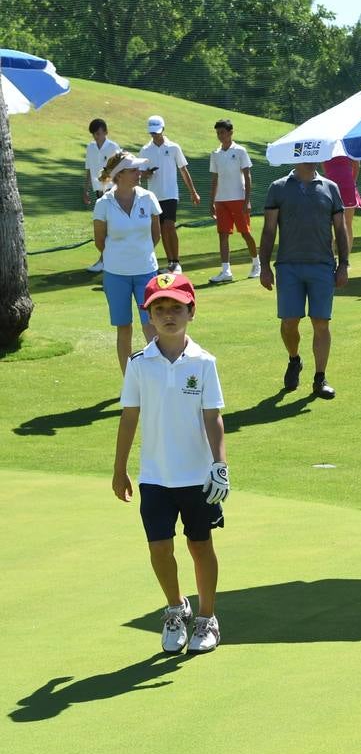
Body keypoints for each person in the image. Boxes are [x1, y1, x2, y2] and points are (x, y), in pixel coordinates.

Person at [113, 272, 228, 654]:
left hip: (196, 475)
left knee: (200, 545)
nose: (168, 315)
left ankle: (206, 618)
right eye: (159, 309)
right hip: (155, 476)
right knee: (159, 547)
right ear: (149, 317)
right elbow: (129, 416)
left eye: (176, 308)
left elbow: (213, 417)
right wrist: (119, 469)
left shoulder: (204, 362)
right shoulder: (139, 364)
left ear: (191, 312)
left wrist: (219, 465)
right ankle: (176, 609)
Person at [258, 161, 347, 399]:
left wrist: (344, 265)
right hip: (289, 266)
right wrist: (264, 266)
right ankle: (294, 359)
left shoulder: (330, 188)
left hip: (322, 265)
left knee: (321, 322)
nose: (310, 156)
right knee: (289, 322)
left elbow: (340, 229)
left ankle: (320, 378)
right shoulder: (278, 188)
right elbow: (269, 230)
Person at [92, 152, 161, 373]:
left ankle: (156, 377)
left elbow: (156, 235)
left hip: (147, 272)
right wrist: (119, 257)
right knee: (124, 328)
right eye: (133, 170)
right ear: (119, 175)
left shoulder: (148, 197)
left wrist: (139, 254)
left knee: (151, 326)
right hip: (116, 275)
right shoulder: (103, 204)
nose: (138, 173)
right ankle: (129, 381)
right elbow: (100, 241)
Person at [138, 115, 199, 274]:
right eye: (152, 133)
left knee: (169, 226)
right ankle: (171, 263)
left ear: (163, 129)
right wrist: (146, 175)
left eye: (157, 132)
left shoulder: (173, 147)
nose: (154, 135)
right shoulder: (145, 150)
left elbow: (183, 170)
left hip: (171, 194)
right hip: (153, 196)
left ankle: (176, 262)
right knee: (161, 230)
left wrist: (193, 192)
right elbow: (139, 174)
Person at [206, 119, 260, 283]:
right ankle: (226, 271)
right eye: (218, 133)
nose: (220, 136)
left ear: (230, 133)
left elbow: (247, 176)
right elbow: (215, 178)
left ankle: (257, 264)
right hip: (221, 201)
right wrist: (212, 201)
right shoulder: (215, 154)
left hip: (238, 199)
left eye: (223, 132)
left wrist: (247, 200)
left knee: (245, 233)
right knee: (223, 234)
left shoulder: (241, 151)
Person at [83, 118, 120, 272]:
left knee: (111, 227)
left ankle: (105, 260)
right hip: (99, 192)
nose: (97, 137)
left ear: (105, 132)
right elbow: (88, 170)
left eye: (99, 133)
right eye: (94, 134)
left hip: (112, 192)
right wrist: (85, 189)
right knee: (103, 227)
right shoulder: (90, 148)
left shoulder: (113, 147)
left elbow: (119, 169)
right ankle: (105, 259)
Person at [322, 156, 361, 253]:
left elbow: (356, 164)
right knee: (328, 225)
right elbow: (325, 168)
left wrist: (352, 182)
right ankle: (331, 258)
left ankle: (345, 259)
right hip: (330, 190)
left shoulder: (346, 145)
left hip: (348, 189)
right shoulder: (326, 147)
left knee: (347, 224)